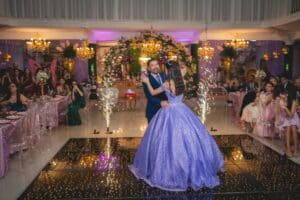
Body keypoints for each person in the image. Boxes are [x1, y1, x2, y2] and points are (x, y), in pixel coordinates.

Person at [129, 61, 224, 191]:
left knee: (167, 140)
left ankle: (170, 169)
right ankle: (194, 168)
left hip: (169, 112)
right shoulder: (182, 82)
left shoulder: (167, 83)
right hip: (182, 110)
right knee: (191, 138)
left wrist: (145, 82)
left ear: (169, 72)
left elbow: (152, 92)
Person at [143, 59, 168, 123]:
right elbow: (149, 96)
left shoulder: (164, 75)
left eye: (156, 64)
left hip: (167, 109)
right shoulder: (146, 79)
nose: (155, 67)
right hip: (153, 110)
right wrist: (160, 102)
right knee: (154, 132)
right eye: (152, 65)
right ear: (148, 68)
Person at [276, 90, 299, 157]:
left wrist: (285, 107)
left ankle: (295, 149)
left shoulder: (293, 101)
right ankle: (288, 149)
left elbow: (291, 115)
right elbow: (278, 113)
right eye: (280, 95)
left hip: (293, 117)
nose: (281, 96)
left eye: (283, 94)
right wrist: (278, 105)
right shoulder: (280, 101)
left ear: (287, 94)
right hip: (285, 118)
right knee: (288, 128)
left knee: (293, 128)